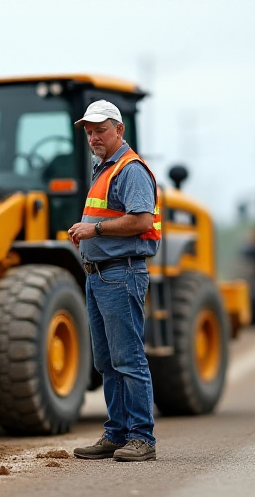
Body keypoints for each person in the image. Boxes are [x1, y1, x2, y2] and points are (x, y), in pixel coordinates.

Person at [67, 100, 162, 462]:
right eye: (90, 132)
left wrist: (94, 230)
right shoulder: (104, 169)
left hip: (121, 273)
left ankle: (142, 438)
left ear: (119, 130)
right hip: (99, 275)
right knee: (107, 361)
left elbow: (141, 221)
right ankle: (116, 433)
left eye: (101, 131)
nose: (94, 138)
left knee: (128, 358)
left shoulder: (130, 169)